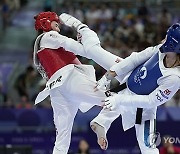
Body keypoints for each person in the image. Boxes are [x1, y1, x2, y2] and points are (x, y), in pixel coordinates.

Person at [59, 14, 180, 154]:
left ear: (173, 45)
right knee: (94, 51)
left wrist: (118, 99)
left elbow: (150, 100)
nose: (163, 39)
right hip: (129, 74)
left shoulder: (174, 78)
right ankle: (80, 26)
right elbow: (135, 59)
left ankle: (101, 122)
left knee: (148, 148)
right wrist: (108, 76)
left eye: (166, 38)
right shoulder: (161, 49)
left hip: (145, 109)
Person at [33, 12, 121, 154]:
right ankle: (101, 122)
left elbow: (73, 54)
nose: (58, 27)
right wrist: (83, 34)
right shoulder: (48, 36)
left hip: (57, 90)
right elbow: (84, 50)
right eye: (55, 23)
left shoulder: (43, 44)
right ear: (45, 24)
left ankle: (101, 96)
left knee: (62, 137)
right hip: (70, 80)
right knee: (117, 100)